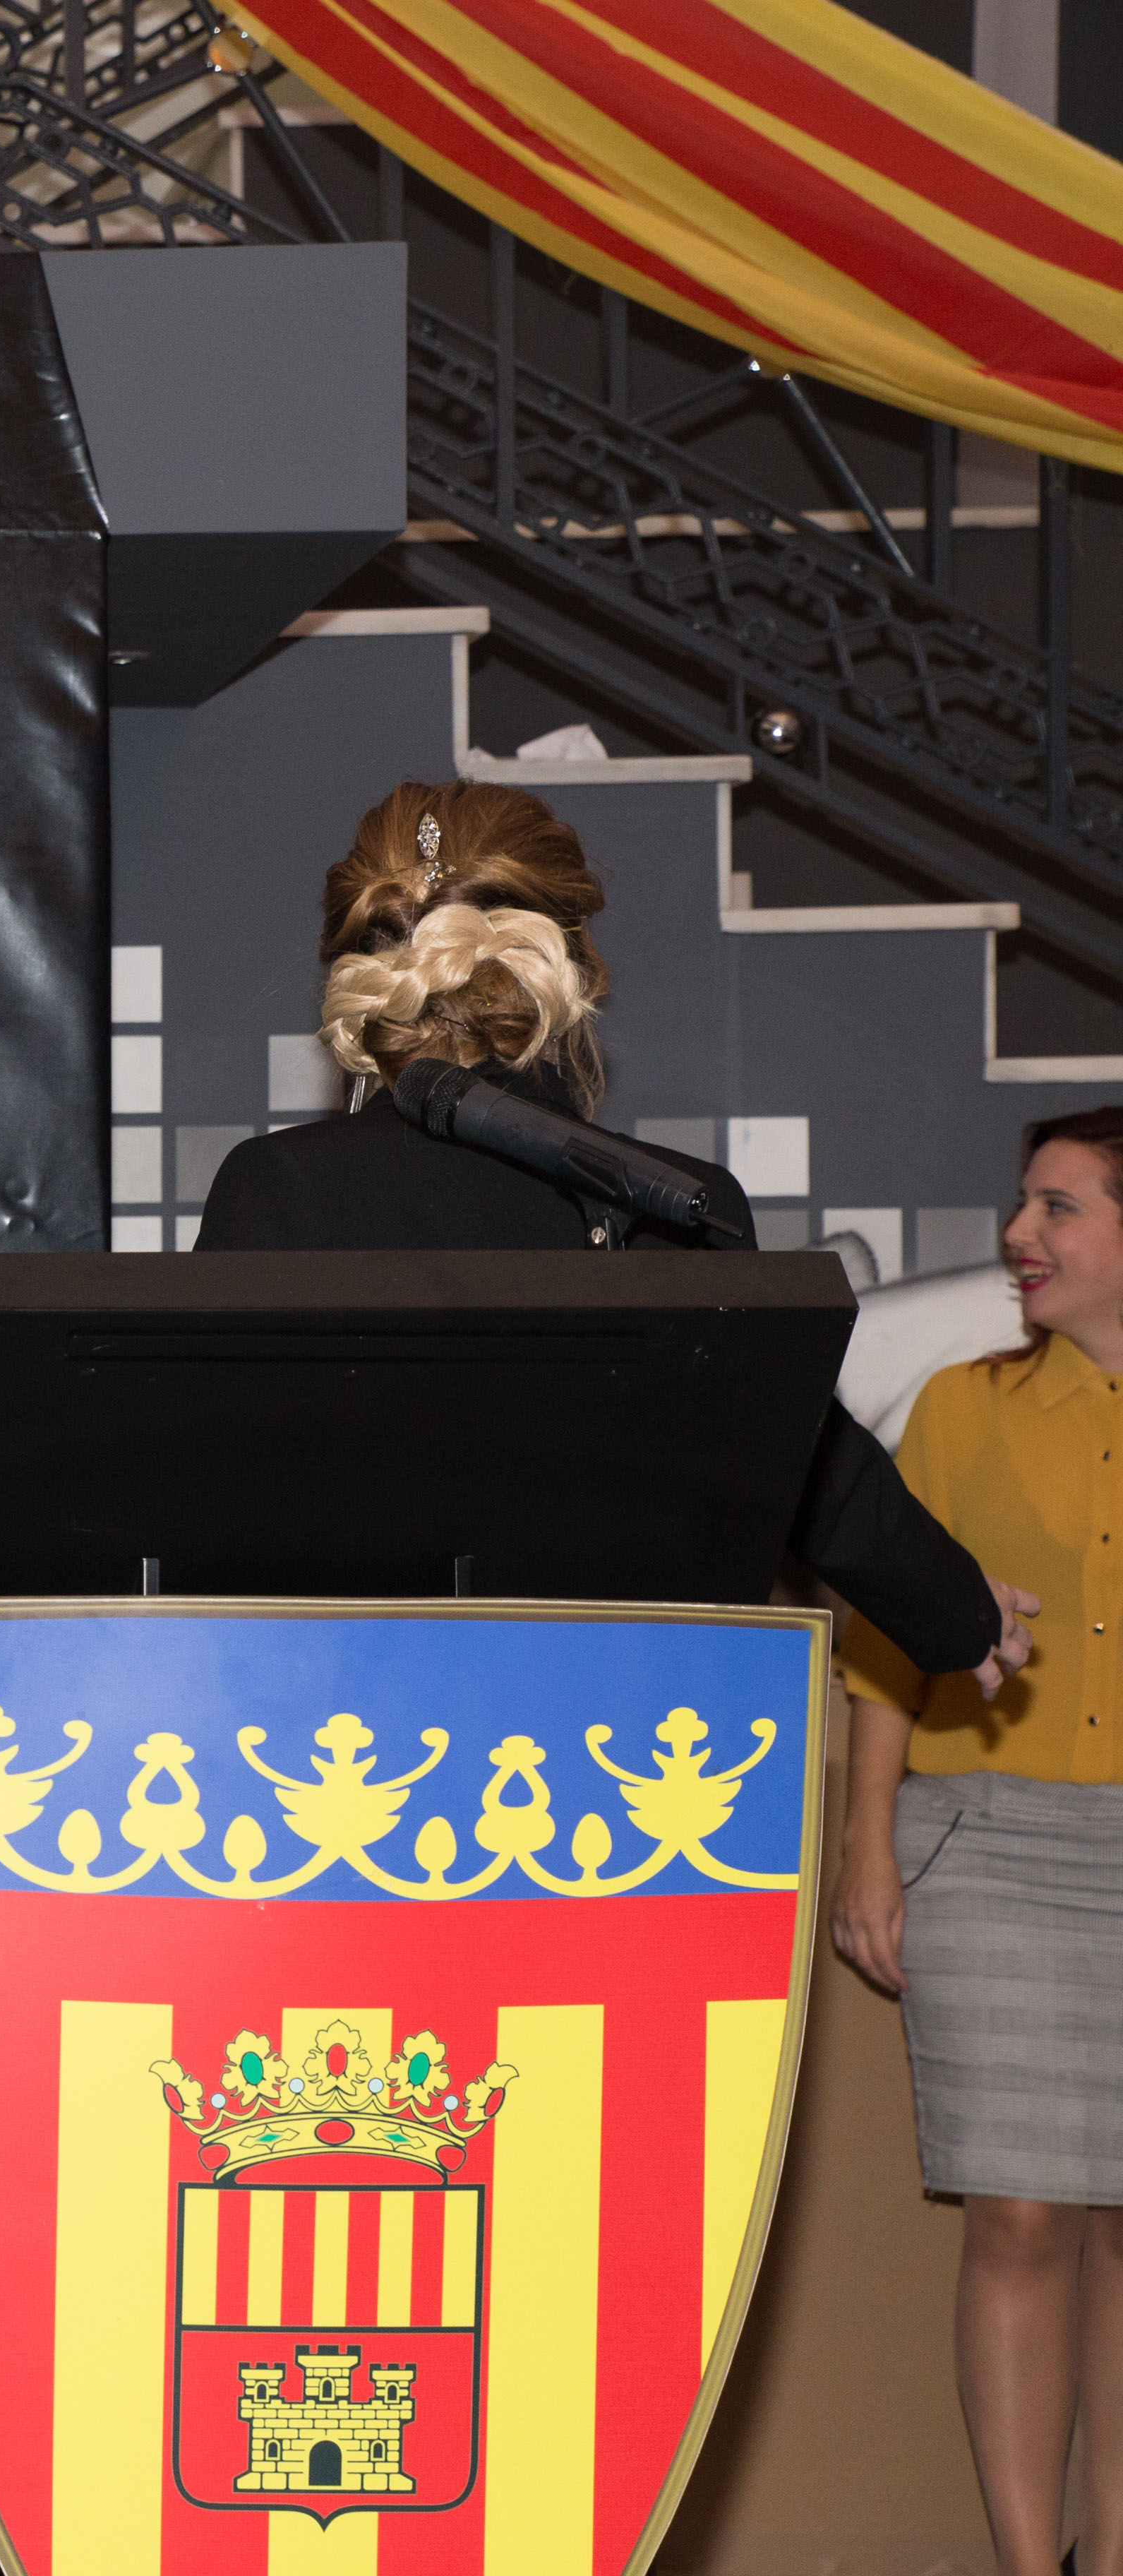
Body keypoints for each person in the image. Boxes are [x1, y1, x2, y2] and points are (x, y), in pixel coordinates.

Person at [191, 778, 1028, 1687]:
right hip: (612, 1727)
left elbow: (202, 1490)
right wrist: (956, 1611)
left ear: (358, 972)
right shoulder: (673, 1202)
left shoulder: (277, 1187)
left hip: (340, 1717)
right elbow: (801, 1457)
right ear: (579, 970)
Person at [831, 1104, 1123, 2576]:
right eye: (1023, 1204)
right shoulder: (958, 1408)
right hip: (992, 1845)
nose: (1019, 1235)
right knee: (1016, 2210)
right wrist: (865, 1842)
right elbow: (891, 1644)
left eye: (1059, 1208)